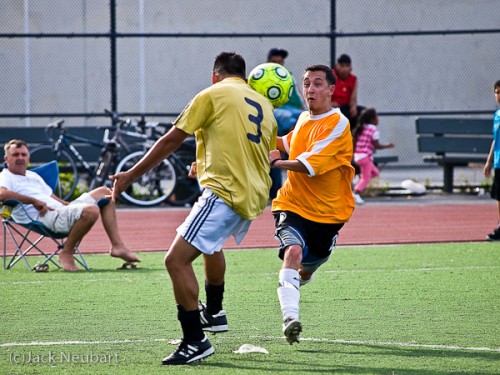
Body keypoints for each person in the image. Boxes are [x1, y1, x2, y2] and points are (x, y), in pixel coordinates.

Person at [109, 52, 277, 365]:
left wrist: (131, 174)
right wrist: (204, 164)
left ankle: (194, 340)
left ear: (216, 74)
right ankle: (214, 313)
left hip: (224, 193)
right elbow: (257, 151)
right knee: (209, 246)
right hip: (252, 196)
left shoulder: (212, 94)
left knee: (176, 260)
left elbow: (171, 140)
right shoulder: (263, 104)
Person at [268, 64, 355, 345]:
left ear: (331, 90)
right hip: (291, 204)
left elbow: (308, 164)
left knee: (306, 269)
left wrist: (275, 162)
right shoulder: (304, 118)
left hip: (328, 215)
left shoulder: (338, 124)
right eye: (306, 84)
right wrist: (258, 135)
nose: (310, 89)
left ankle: (300, 279)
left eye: (317, 84)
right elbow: (287, 142)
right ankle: (290, 318)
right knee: (292, 252)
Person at [0, 139, 140, 271]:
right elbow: (2, 194)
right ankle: (66, 252)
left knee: (105, 192)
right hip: (44, 217)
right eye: (15, 155)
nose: (20, 158)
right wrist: (33, 201)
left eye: (23, 154)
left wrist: (70, 205)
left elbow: (52, 197)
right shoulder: (6, 176)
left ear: (28, 157)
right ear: (6, 159)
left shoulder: (33, 176)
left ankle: (117, 246)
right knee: (91, 211)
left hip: (60, 211)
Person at [267, 48, 307, 200]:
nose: (278, 64)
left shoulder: (288, 76)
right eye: (274, 62)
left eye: (280, 62)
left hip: (291, 111)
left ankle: (296, 150)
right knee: (288, 119)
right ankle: (291, 150)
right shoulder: (262, 75)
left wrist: (306, 116)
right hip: (274, 111)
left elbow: (299, 98)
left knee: (302, 117)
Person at [351, 108, 395, 205]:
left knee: (375, 172)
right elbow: (376, 145)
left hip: (358, 156)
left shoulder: (362, 128)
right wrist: (387, 145)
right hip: (365, 157)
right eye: (376, 117)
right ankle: (356, 193)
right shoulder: (373, 129)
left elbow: (354, 142)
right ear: (372, 119)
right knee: (366, 178)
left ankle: (357, 180)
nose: (378, 119)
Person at [483, 80, 500, 241]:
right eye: (497, 92)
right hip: (498, 162)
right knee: (498, 196)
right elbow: (495, 139)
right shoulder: (497, 115)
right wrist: (489, 161)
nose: (498, 96)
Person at [330, 54, 363, 127]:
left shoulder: (353, 79)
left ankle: (360, 136)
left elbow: (353, 98)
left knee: (365, 113)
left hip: (346, 108)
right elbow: (322, 96)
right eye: (342, 66)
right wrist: (329, 104)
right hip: (332, 108)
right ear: (337, 66)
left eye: (347, 66)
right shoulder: (330, 76)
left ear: (350, 68)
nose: (344, 69)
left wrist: (353, 107)